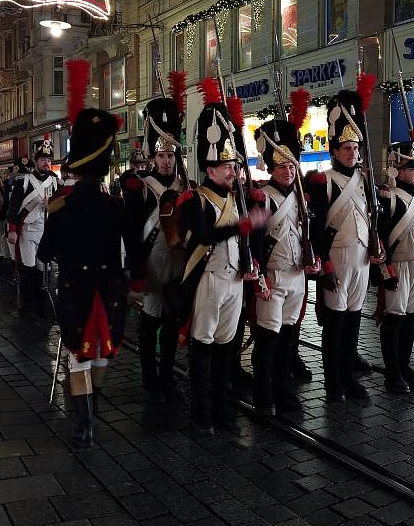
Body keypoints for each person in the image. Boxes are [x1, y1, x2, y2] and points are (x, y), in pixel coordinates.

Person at [38, 105, 134, 450]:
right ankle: (94, 403)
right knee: (101, 354)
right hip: (108, 292)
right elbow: (132, 249)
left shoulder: (60, 207)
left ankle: (84, 424)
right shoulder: (116, 206)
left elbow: (44, 253)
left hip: (75, 292)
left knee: (77, 356)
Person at [177, 78, 267, 435]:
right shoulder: (195, 200)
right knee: (202, 349)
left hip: (234, 282)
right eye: (227, 167)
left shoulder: (239, 198)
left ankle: (223, 409)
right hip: (208, 281)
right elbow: (203, 235)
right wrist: (241, 228)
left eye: (235, 166)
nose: (234, 172)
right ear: (210, 169)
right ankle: (199, 412)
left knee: (227, 350)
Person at [306, 75, 384, 403]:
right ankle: (332, 381)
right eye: (347, 148)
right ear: (333, 149)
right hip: (336, 259)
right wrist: (324, 264)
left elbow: (371, 221)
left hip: (362, 260)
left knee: (353, 322)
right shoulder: (322, 181)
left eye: (356, 148)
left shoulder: (366, 182)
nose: (352, 153)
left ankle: (348, 376)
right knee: (335, 325)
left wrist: (377, 250)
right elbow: (316, 227)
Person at [250, 90, 320, 415]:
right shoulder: (261, 197)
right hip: (272, 276)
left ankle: (283, 388)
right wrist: (259, 274)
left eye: (291, 165)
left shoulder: (302, 198)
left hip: (297, 276)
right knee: (267, 341)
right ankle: (263, 394)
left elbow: (311, 233)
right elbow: (254, 240)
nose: (287, 171)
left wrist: (315, 256)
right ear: (270, 167)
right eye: (280, 166)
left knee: (289, 337)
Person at [123, 77, 188, 400]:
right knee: (149, 328)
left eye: (170, 155)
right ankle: (150, 378)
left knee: (172, 325)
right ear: (152, 155)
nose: (166, 161)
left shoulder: (184, 188)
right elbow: (133, 235)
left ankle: (168, 376)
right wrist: (136, 274)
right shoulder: (140, 187)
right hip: (150, 268)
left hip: (176, 268)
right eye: (161, 156)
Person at [377, 141, 414, 394]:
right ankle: (392, 372)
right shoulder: (388, 197)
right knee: (395, 319)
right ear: (397, 170)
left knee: (412, 317)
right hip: (398, 263)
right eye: (412, 169)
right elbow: (381, 236)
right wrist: (385, 271)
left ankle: (404, 365)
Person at [7, 137, 60, 315]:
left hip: (45, 230)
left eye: (49, 160)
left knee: (42, 269)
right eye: (43, 160)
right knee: (28, 268)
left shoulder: (54, 181)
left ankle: (39, 301)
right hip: (27, 232)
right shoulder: (24, 180)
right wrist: (12, 230)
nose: (47, 163)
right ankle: (28, 303)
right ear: (36, 161)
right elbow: (14, 206)